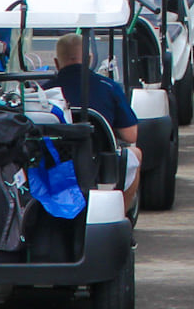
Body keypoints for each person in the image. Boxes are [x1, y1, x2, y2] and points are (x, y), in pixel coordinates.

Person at [51, 33, 143, 214]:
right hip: (99, 164)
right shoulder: (108, 87)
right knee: (135, 153)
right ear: (90, 59)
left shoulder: (45, 90)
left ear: (56, 62)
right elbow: (131, 135)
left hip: (55, 164)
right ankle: (121, 214)